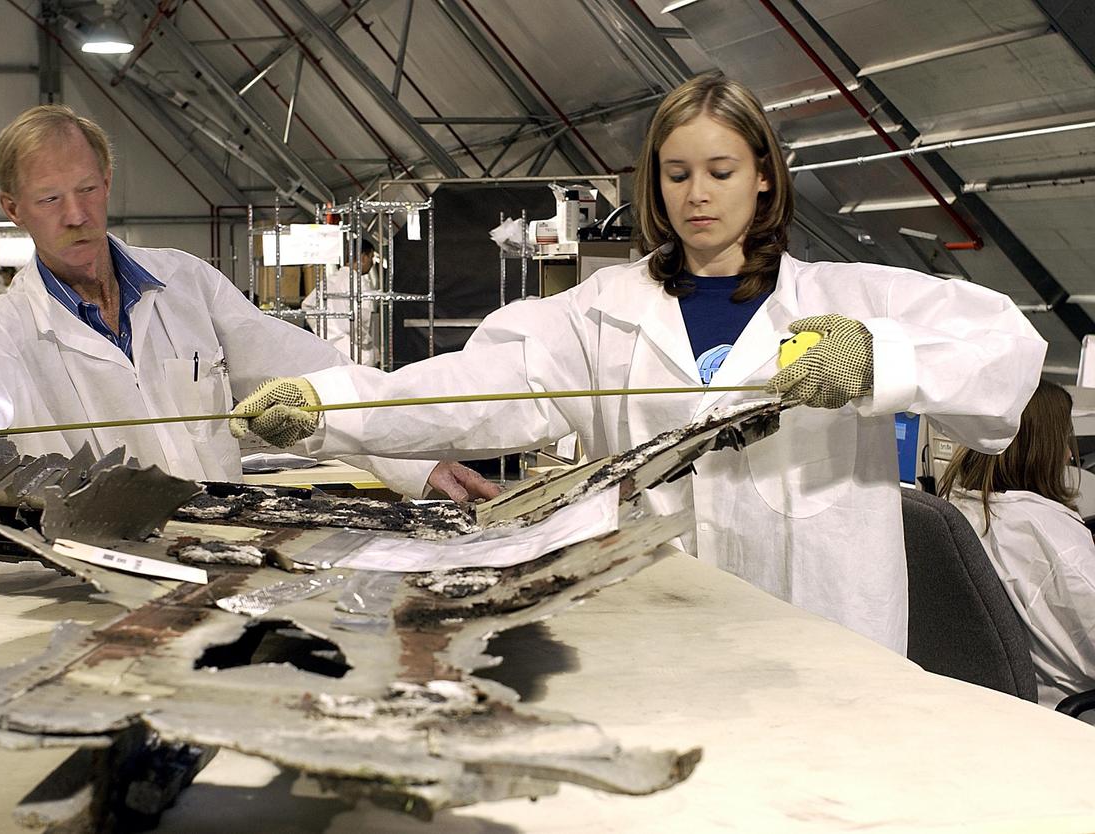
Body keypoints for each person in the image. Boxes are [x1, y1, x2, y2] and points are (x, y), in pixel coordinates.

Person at [230, 72, 1046, 653]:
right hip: (666, 619)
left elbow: (1008, 347)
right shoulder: (601, 313)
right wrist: (329, 406)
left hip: (827, 625)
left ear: (764, 178)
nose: (698, 194)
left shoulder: (845, 297)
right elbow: (469, 389)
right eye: (677, 173)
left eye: (721, 172)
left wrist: (876, 358)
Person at [0, 105, 496, 505]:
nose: (76, 215)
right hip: (101, 579)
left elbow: (312, 379)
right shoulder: (10, 333)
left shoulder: (186, 284)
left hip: (227, 550)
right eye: (50, 200)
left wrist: (412, 459)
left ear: (108, 181)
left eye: (88, 189)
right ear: (13, 209)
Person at [940, 380, 1095, 708]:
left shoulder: (955, 509)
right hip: (1066, 710)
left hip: (993, 702)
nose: (1069, 455)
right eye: (1064, 441)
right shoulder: (1050, 539)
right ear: (1042, 450)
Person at [301, 239, 379, 366]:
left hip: (329, 351)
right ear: (363, 257)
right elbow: (362, 320)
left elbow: (308, 305)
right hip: (355, 354)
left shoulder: (330, 280)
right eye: (371, 257)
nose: (372, 263)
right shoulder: (360, 284)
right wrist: (362, 343)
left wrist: (329, 334)